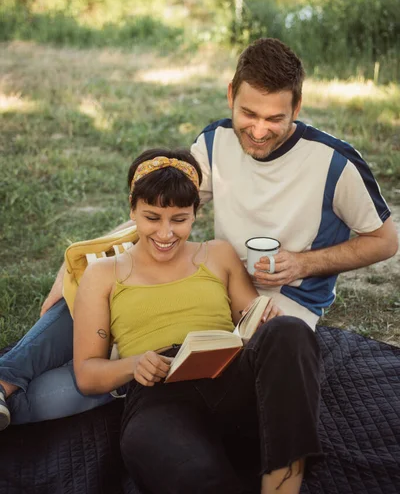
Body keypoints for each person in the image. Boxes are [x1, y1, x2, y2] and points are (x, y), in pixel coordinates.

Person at [0, 37, 397, 430]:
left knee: (150, 360)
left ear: (297, 105)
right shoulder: (215, 142)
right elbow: (165, 211)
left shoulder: (335, 163)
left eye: (275, 118)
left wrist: (302, 263)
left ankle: (106, 378)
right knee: (90, 287)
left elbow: (385, 241)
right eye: (249, 114)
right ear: (230, 95)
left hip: (282, 308)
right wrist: (86, 257)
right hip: (217, 284)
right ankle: (6, 380)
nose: (258, 130)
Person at [72, 147, 322, 494]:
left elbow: (254, 323)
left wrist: (265, 319)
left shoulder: (217, 255)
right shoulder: (105, 274)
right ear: (132, 210)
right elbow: (88, 374)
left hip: (231, 379)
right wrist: (134, 364)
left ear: (195, 215)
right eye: (152, 218)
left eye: (179, 219)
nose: (166, 233)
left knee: (290, 330)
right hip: (160, 397)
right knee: (194, 477)